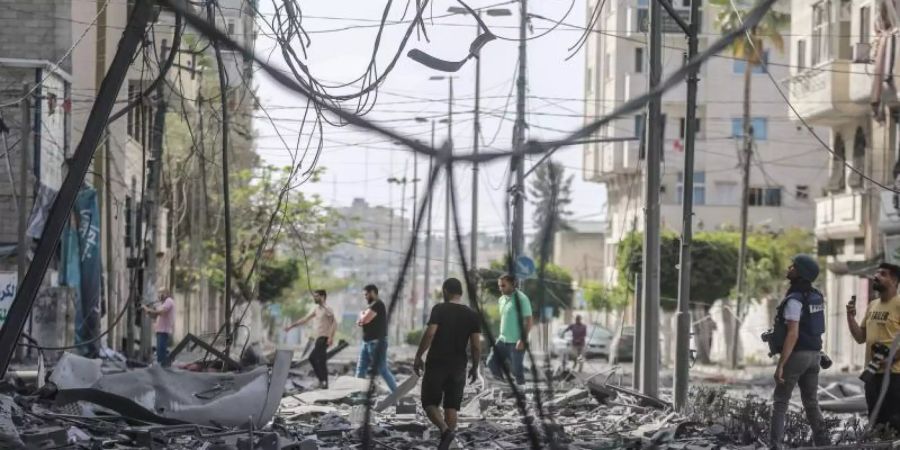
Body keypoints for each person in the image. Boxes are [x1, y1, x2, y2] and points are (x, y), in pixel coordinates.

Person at [768, 254, 828, 449]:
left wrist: (781, 365)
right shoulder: (816, 296)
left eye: (793, 266)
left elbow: (792, 334)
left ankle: (774, 446)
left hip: (798, 354)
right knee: (811, 402)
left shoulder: (795, 300)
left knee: (780, 402)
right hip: (815, 356)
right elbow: (814, 327)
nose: (789, 268)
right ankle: (824, 444)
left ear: (800, 273)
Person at [413, 278, 481, 450]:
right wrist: (475, 366)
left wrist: (418, 356)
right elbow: (475, 345)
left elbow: (429, 335)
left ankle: (445, 431)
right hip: (459, 366)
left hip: (437, 362)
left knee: (429, 402)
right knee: (451, 406)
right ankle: (448, 443)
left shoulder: (439, 309)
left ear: (445, 291)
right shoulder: (472, 315)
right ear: (460, 293)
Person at [848, 262, 900, 432]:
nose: (876, 276)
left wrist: (891, 358)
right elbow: (860, 337)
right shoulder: (872, 305)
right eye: (877, 273)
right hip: (872, 374)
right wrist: (850, 318)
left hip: (894, 376)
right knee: (875, 422)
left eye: (883, 274)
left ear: (894, 281)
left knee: (894, 423)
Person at [284, 290, 337, 389]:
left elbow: (334, 323)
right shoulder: (317, 309)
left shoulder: (327, 309)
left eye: (316, 296)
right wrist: (291, 326)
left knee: (312, 358)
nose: (314, 298)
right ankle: (324, 383)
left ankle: (322, 381)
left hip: (324, 338)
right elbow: (305, 319)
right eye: (314, 296)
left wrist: (331, 337)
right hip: (319, 338)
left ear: (323, 297)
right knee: (321, 361)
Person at [488, 274, 532, 385]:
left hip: (516, 343)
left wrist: (522, 339)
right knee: (491, 362)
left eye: (503, 285)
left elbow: (529, 321)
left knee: (517, 372)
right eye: (499, 286)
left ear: (513, 284)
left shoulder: (522, 299)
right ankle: (504, 387)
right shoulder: (501, 300)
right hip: (502, 341)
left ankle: (522, 398)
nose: (500, 288)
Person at [355, 284, 398, 392]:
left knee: (382, 370)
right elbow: (362, 321)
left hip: (376, 343)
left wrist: (361, 314)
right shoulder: (372, 306)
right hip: (366, 343)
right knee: (360, 370)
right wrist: (362, 317)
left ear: (373, 293)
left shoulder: (377, 304)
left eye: (366, 295)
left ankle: (397, 394)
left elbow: (364, 320)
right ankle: (356, 393)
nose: (365, 297)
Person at [143, 290, 175, 366]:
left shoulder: (169, 301)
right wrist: (147, 311)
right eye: (159, 293)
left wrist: (149, 310)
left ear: (167, 294)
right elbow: (155, 315)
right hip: (160, 331)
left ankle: (163, 370)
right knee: (160, 353)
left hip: (164, 331)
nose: (159, 295)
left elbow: (161, 312)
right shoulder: (163, 304)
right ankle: (162, 368)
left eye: (161, 293)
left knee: (161, 353)